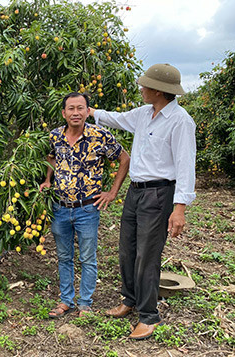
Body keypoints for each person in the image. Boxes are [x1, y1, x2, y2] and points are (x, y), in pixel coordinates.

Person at [89, 63, 196, 339]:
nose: (141, 88)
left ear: (160, 91)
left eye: (145, 85)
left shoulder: (180, 121)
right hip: (135, 191)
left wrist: (179, 208)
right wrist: (88, 111)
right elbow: (117, 118)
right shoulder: (143, 114)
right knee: (127, 248)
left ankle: (149, 316)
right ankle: (130, 300)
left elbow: (186, 166)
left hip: (160, 193)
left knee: (147, 255)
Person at [40, 92, 130, 318]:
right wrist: (48, 179)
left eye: (80, 108)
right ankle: (65, 301)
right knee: (63, 256)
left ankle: (85, 303)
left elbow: (124, 158)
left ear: (87, 111)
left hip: (87, 208)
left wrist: (112, 192)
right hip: (60, 207)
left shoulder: (100, 135)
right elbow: (51, 157)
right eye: (71, 108)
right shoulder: (54, 136)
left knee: (87, 257)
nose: (75, 113)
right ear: (64, 113)